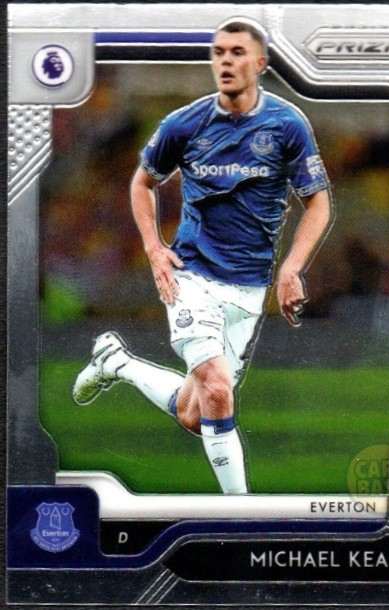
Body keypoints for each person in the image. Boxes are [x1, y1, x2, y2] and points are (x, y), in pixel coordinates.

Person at [73, 18, 332, 494]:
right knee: (216, 388)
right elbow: (143, 182)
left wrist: (292, 268)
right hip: (191, 275)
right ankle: (241, 514)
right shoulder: (184, 124)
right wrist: (154, 248)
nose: (226, 61)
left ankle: (117, 363)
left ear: (260, 63)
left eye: (237, 52)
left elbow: (318, 202)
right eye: (218, 52)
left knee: (198, 413)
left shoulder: (287, 125)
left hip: (249, 285)